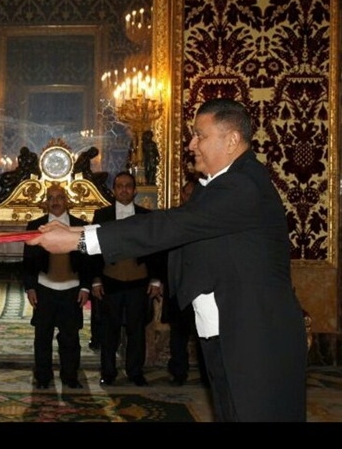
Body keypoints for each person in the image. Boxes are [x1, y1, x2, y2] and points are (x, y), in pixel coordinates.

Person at [27, 98, 308, 422]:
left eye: (200, 135)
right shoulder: (219, 185)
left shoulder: (243, 185)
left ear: (231, 140)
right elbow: (178, 231)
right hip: (232, 331)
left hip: (256, 336)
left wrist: (79, 239)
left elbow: (171, 226)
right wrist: (78, 234)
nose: (191, 145)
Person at [90, 171, 164, 387]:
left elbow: (155, 248)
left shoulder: (146, 215)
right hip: (110, 279)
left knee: (136, 330)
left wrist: (156, 279)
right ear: (114, 190)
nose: (124, 189)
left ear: (135, 190)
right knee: (109, 330)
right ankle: (108, 372)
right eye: (119, 186)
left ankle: (135, 372)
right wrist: (95, 279)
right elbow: (92, 249)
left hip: (138, 280)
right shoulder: (102, 215)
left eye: (128, 186)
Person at [23, 183, 91, 389]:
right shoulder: (35, 226)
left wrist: (85, 287)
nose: (55, 202)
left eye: (59, 197)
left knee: (70, 337)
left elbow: (88, 260)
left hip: (72, 289)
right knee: (42, 337)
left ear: (66, 200)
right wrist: (30, 287)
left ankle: (70, 376)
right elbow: (28, 260)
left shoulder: (80, 225)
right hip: (44, 288)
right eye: (51, 198)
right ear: (46, 202)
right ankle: (43, 377)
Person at [154, 179, 207, 387]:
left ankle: (207, 376)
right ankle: (178, 373)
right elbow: (162, 251)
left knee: (204, 336)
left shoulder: (208, 219)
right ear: (182, 195)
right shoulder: (174, 218)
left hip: (202, 289)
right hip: (178, 286)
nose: (190, 197)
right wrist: (159, 280)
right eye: (187, 193)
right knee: (178, 335)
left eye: (195, 193)